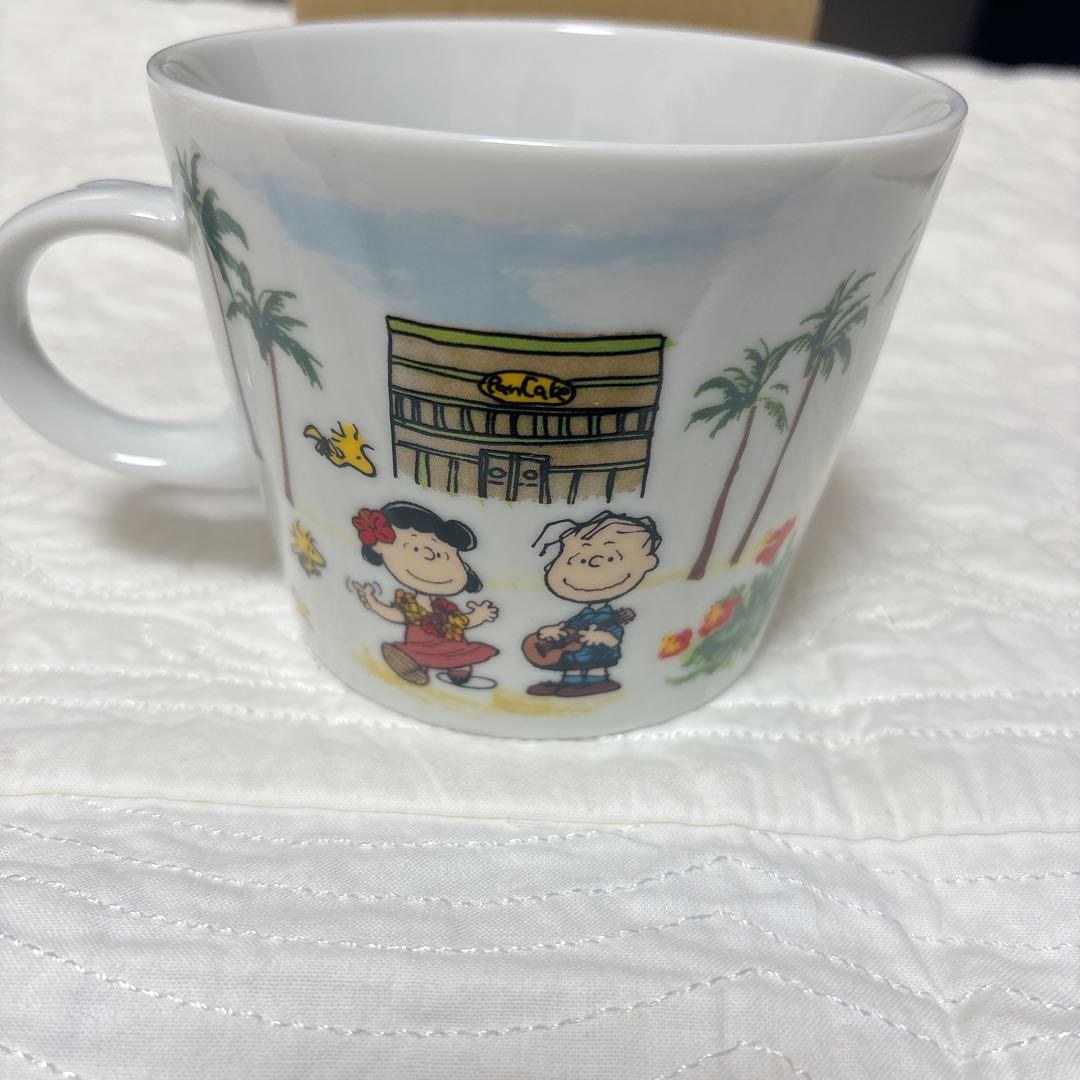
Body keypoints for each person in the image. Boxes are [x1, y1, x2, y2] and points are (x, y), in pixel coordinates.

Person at [348, 501, 499, 688]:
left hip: (452, 647)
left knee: (460, 656)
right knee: (415, 655)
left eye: (444, 555)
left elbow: (462, 621)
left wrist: (479, 616)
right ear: (380, 548)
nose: (428, 556)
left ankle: (455, 669)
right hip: (419, 648)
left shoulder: (446, 608)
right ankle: (414, 667)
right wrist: (372, 602)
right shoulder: (410, 605)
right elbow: (396, 615)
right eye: (416, 548)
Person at [525, 511, 661, 697]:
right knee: (572, 667)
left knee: (596, 667)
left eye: (610, 558)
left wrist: (600, 637)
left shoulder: (610, 617)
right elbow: (565, 627)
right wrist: (550, 631)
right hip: (575, 654)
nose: (593, 564)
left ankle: (598, 682)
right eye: (579, 559)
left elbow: (614, 639)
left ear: (647, 562)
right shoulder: (582, 615)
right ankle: (570, 684)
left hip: (599, 654)